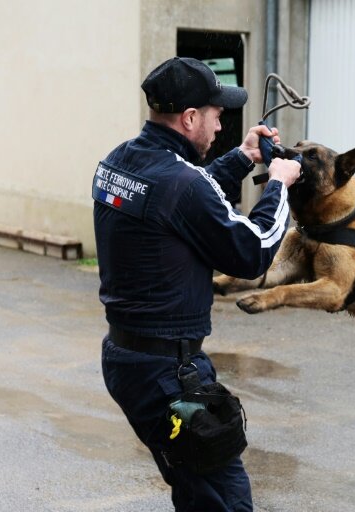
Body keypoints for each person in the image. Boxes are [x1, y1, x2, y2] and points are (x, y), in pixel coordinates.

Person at [92, 56, 300, 511]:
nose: (221, 121)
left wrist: (244, 157)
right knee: (224, 500)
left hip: (129, 360)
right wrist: (279, 185)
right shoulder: (182, 185)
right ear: (189, 118)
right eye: (215, 112)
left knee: (196, 491)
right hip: (169, 373)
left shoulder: (120, 162)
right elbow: (251, 250)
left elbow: (187, 197)